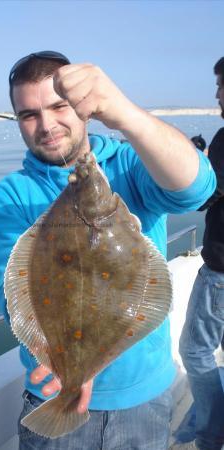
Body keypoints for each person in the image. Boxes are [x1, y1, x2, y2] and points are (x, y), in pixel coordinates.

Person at [0, 51, 216, 450]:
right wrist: (64, 361)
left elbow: (196, 189)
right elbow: (13, 295)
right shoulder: (9, 196)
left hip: (144, 399)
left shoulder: (130, 164)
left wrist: (122, 111)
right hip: (53, 391)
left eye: (59, 106)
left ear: (84, 108)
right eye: (29, 114)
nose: (47, 125)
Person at [179, 57, 224, 450]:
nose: (217, 94)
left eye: (221, 86)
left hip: (220, 274)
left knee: (194, 351)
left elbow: (205, 195)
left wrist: (193, 161)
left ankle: (210, 432)